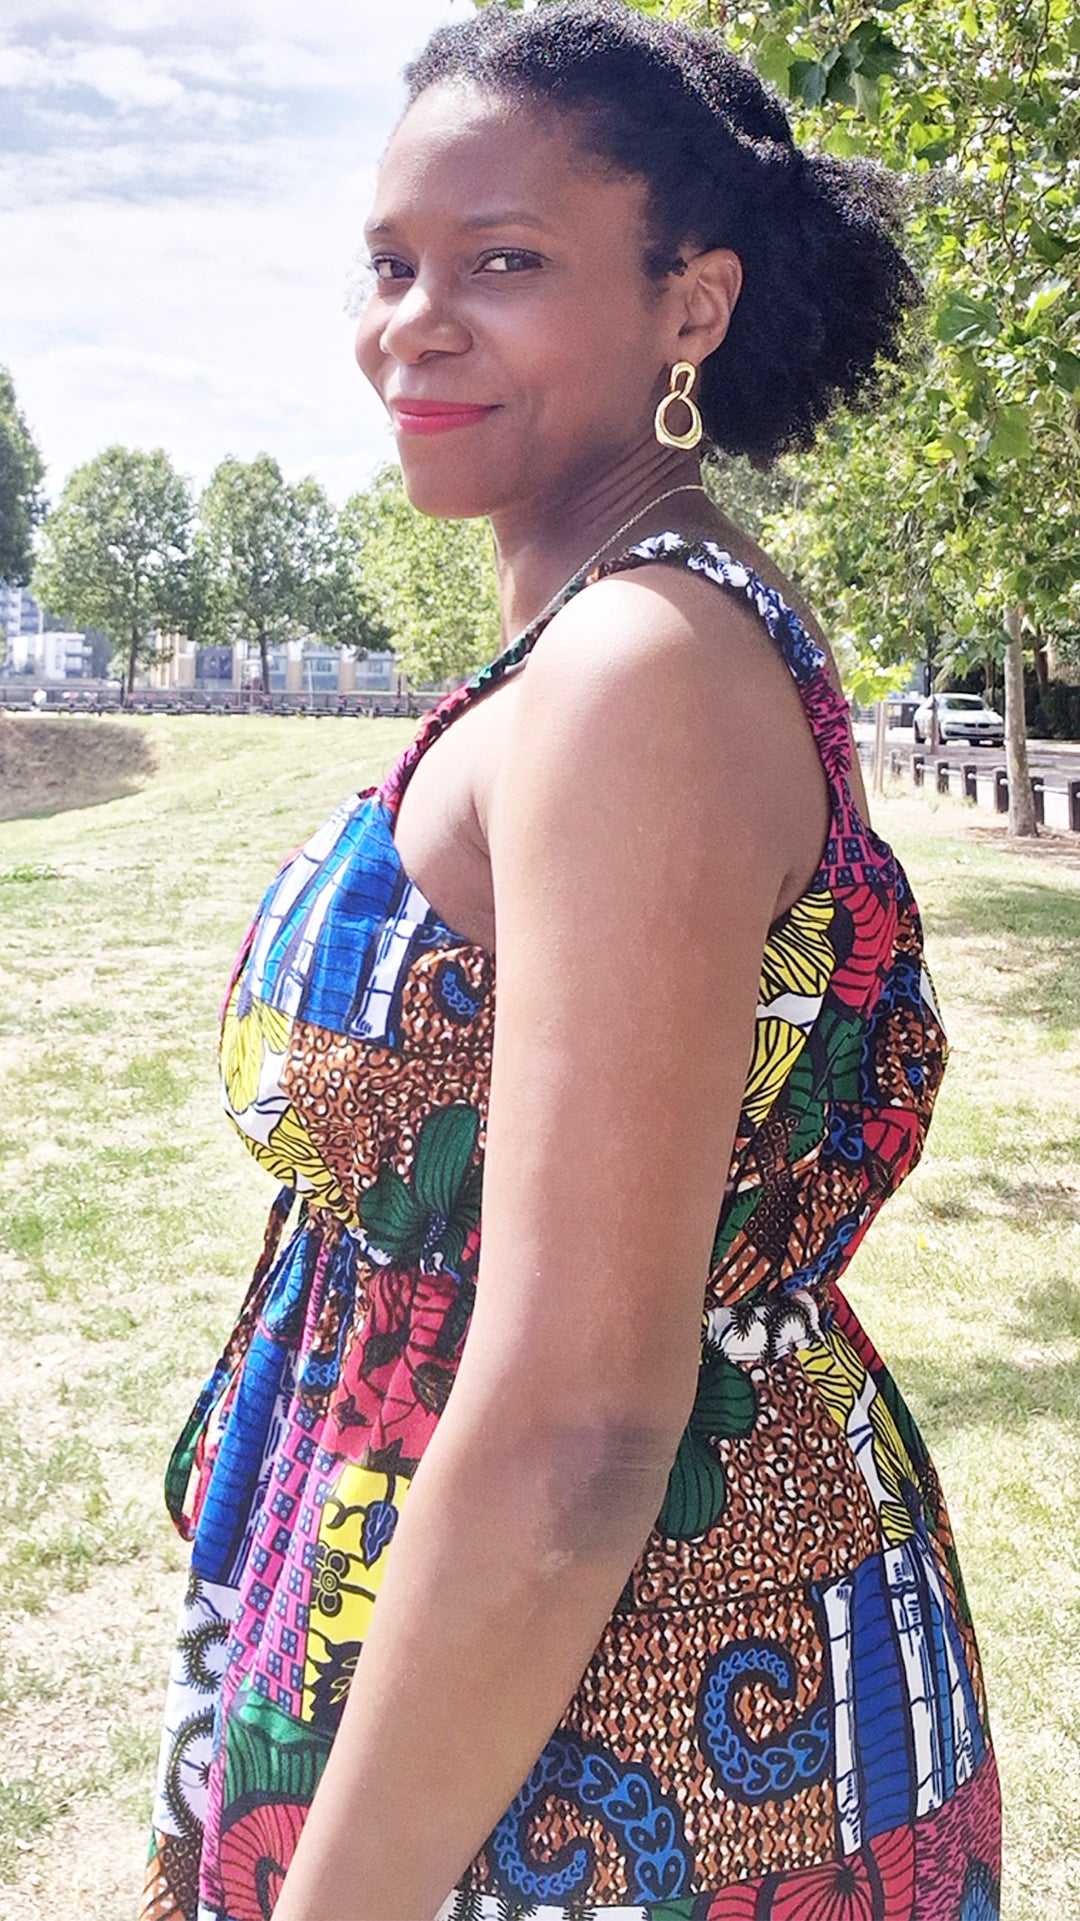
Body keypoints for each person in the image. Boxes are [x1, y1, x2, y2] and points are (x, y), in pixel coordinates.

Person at [142, 6, 1001, 1919]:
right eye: (391, 264)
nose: (414, 325)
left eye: (504, 262)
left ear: (689, 304)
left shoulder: (634, 676)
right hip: (517, 1642)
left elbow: (582, 1426)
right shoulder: (632, 634)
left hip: (616, 1719)